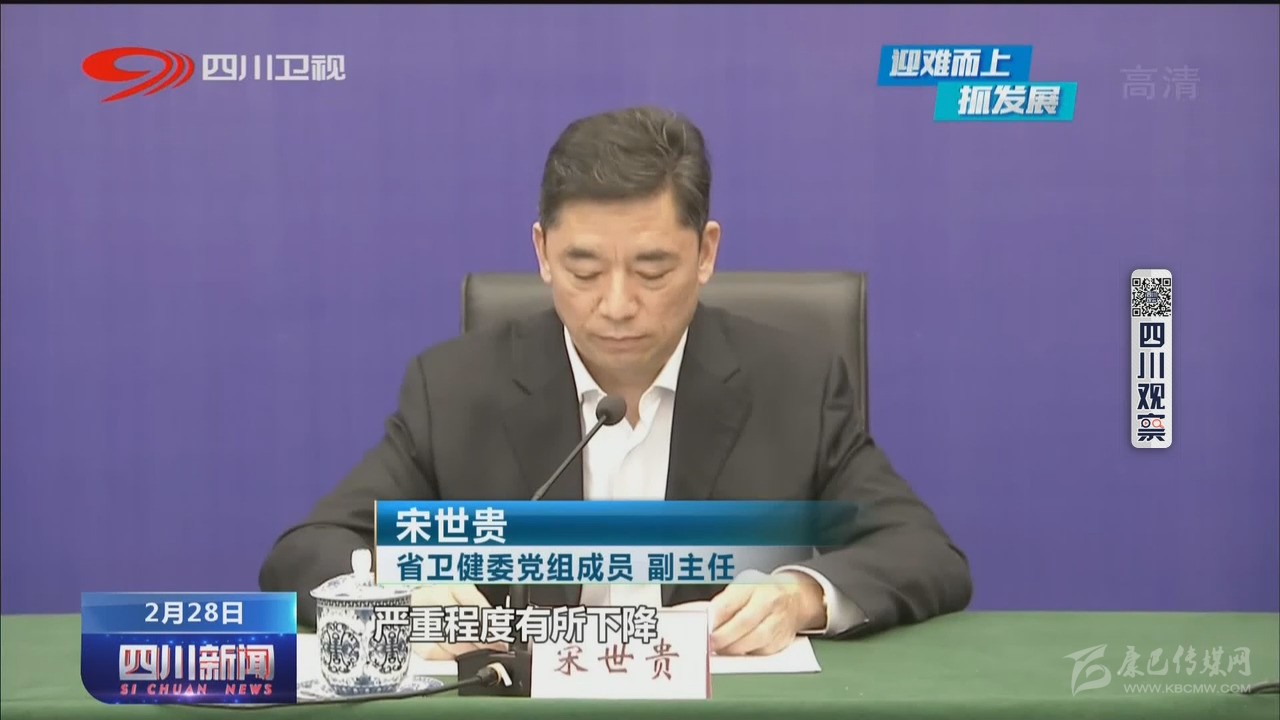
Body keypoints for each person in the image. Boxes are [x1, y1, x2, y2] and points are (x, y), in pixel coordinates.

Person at [259, 106, 972, 659]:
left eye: (653, 269)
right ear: (542, 253)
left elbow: (922, 551)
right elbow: (307, 550)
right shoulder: (454, 389)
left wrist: (800, 595)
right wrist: (397, 593)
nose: (618, 304)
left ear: (706, 253)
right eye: (585, 270)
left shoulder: (795, 385)